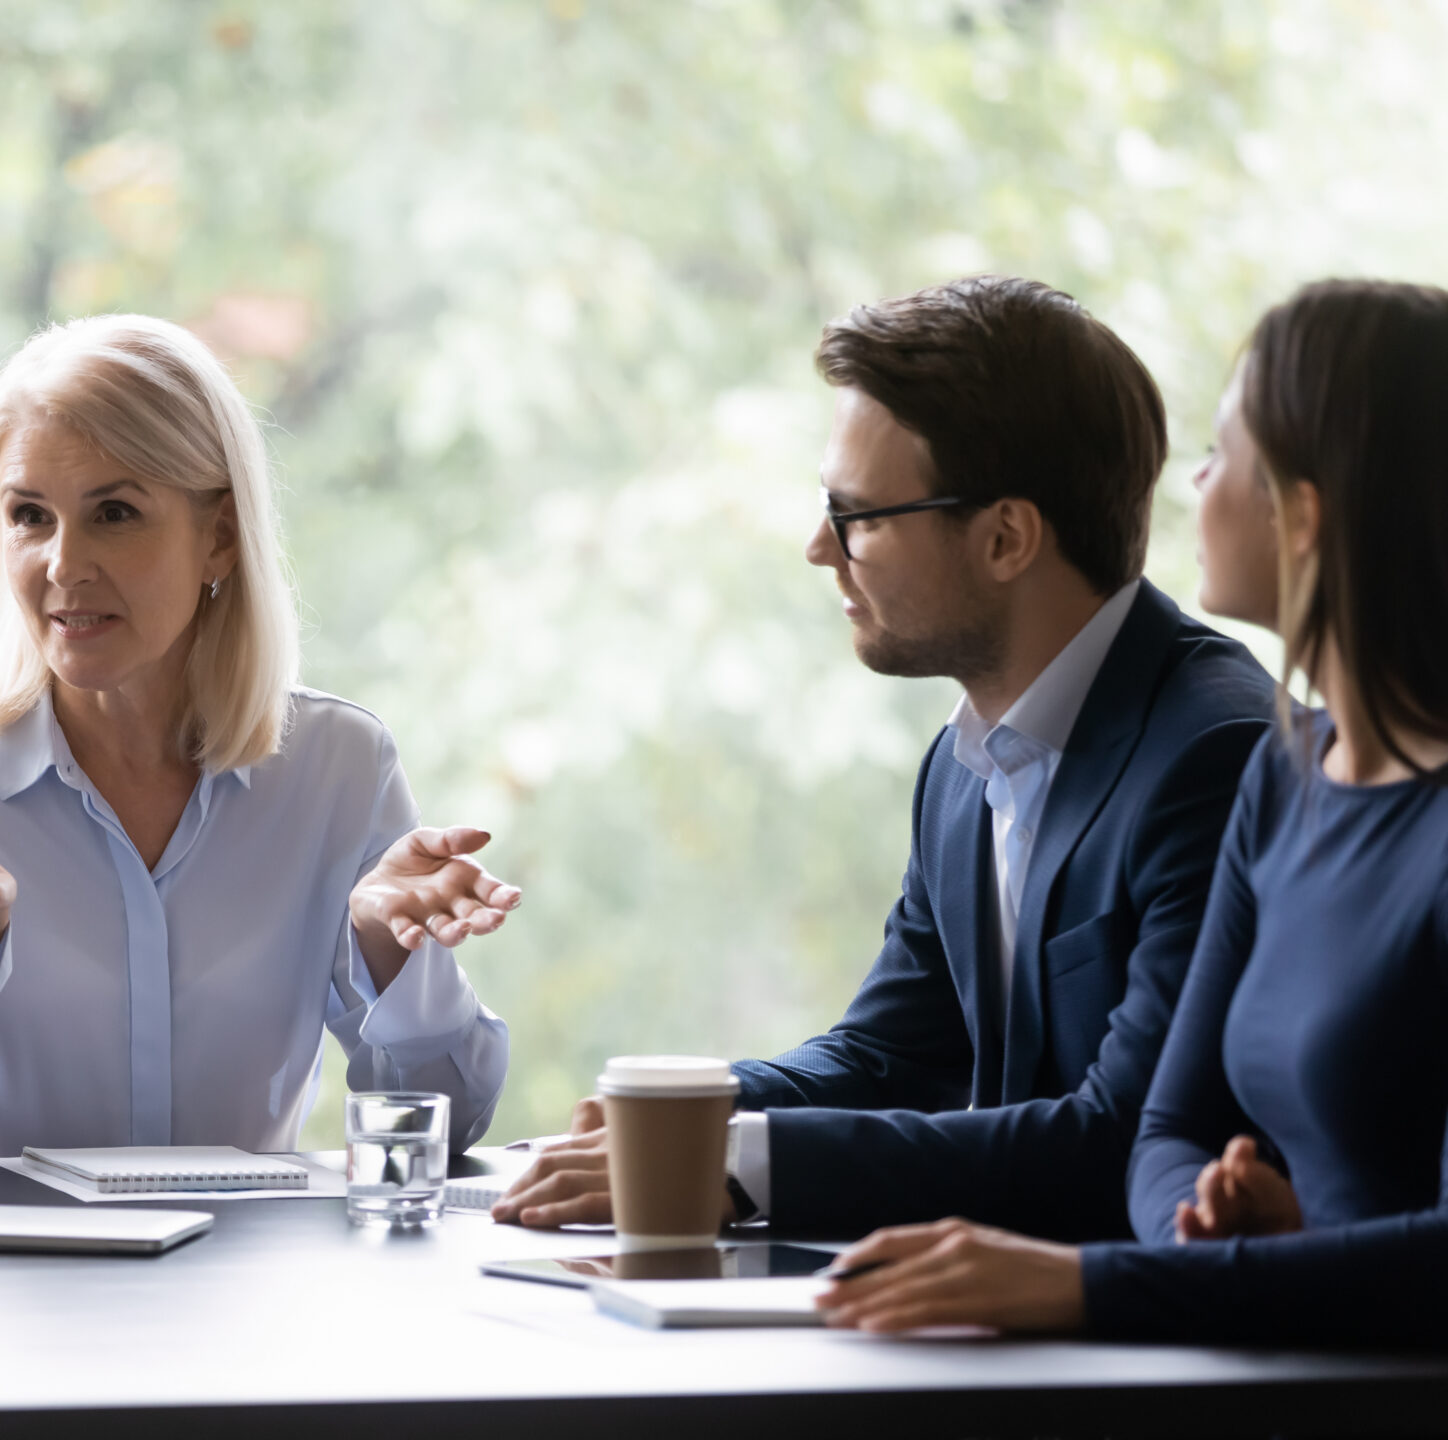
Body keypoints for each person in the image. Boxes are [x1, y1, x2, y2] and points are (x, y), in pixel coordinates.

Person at [497, 277, 1276, 1239]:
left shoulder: (1219, 755)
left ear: (1005, 538)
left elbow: (1118, 1135)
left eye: (856, 512)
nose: (818, 546)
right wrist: (677, 1113)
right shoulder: (964, 765)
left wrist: (732, 1161)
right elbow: (890, 1056)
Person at [817, 279, 1448, 1342]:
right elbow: (1168, 1129)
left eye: (1220, 454)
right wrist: (1205, 1233)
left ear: (1303, 515)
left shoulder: (1221, 747)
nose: (1190, 485)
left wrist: (1081, 1286)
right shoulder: (1285, 780)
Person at [0, 314, 518, 1163]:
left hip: (241, 1285)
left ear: (217, 536)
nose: (65, 565)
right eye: (30, 516)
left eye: (114, 512)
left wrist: (388, 954)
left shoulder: (339, 765)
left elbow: (453, 1122)